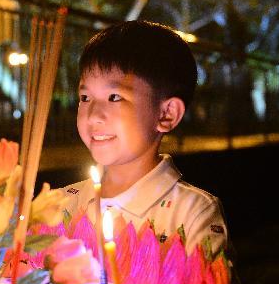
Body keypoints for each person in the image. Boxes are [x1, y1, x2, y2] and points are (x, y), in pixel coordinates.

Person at [62, 20, 228, 257]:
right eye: (85, 97)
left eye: (114, 97)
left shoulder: (192, 214)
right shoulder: (60, 203)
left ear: (167, 113)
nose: (93, 116)